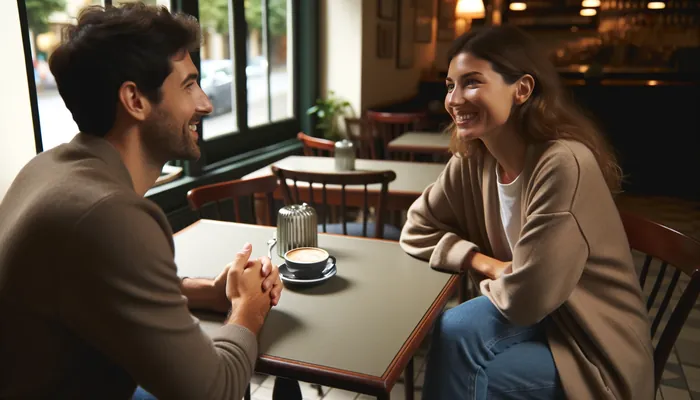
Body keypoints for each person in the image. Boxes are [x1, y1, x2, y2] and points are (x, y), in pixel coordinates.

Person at [0, 3, 283, 399]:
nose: (205, 104)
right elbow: (216, 392)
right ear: (135, 99)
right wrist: (247, 308)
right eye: (188, 85)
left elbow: (101, 289)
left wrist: (209, 291)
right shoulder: (109, 215)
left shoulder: (45, 169)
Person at [399, 25, 654, 400]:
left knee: (459, 354)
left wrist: (500, 275)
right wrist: (482, 261)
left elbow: (527, 298)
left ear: (522, 89)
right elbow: (416, 227)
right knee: (452, 330)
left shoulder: (563, 163)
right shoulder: (473, 160)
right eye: (450, 85)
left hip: (591, 343)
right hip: (536, 319)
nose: (454, 99)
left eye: (472, 82)